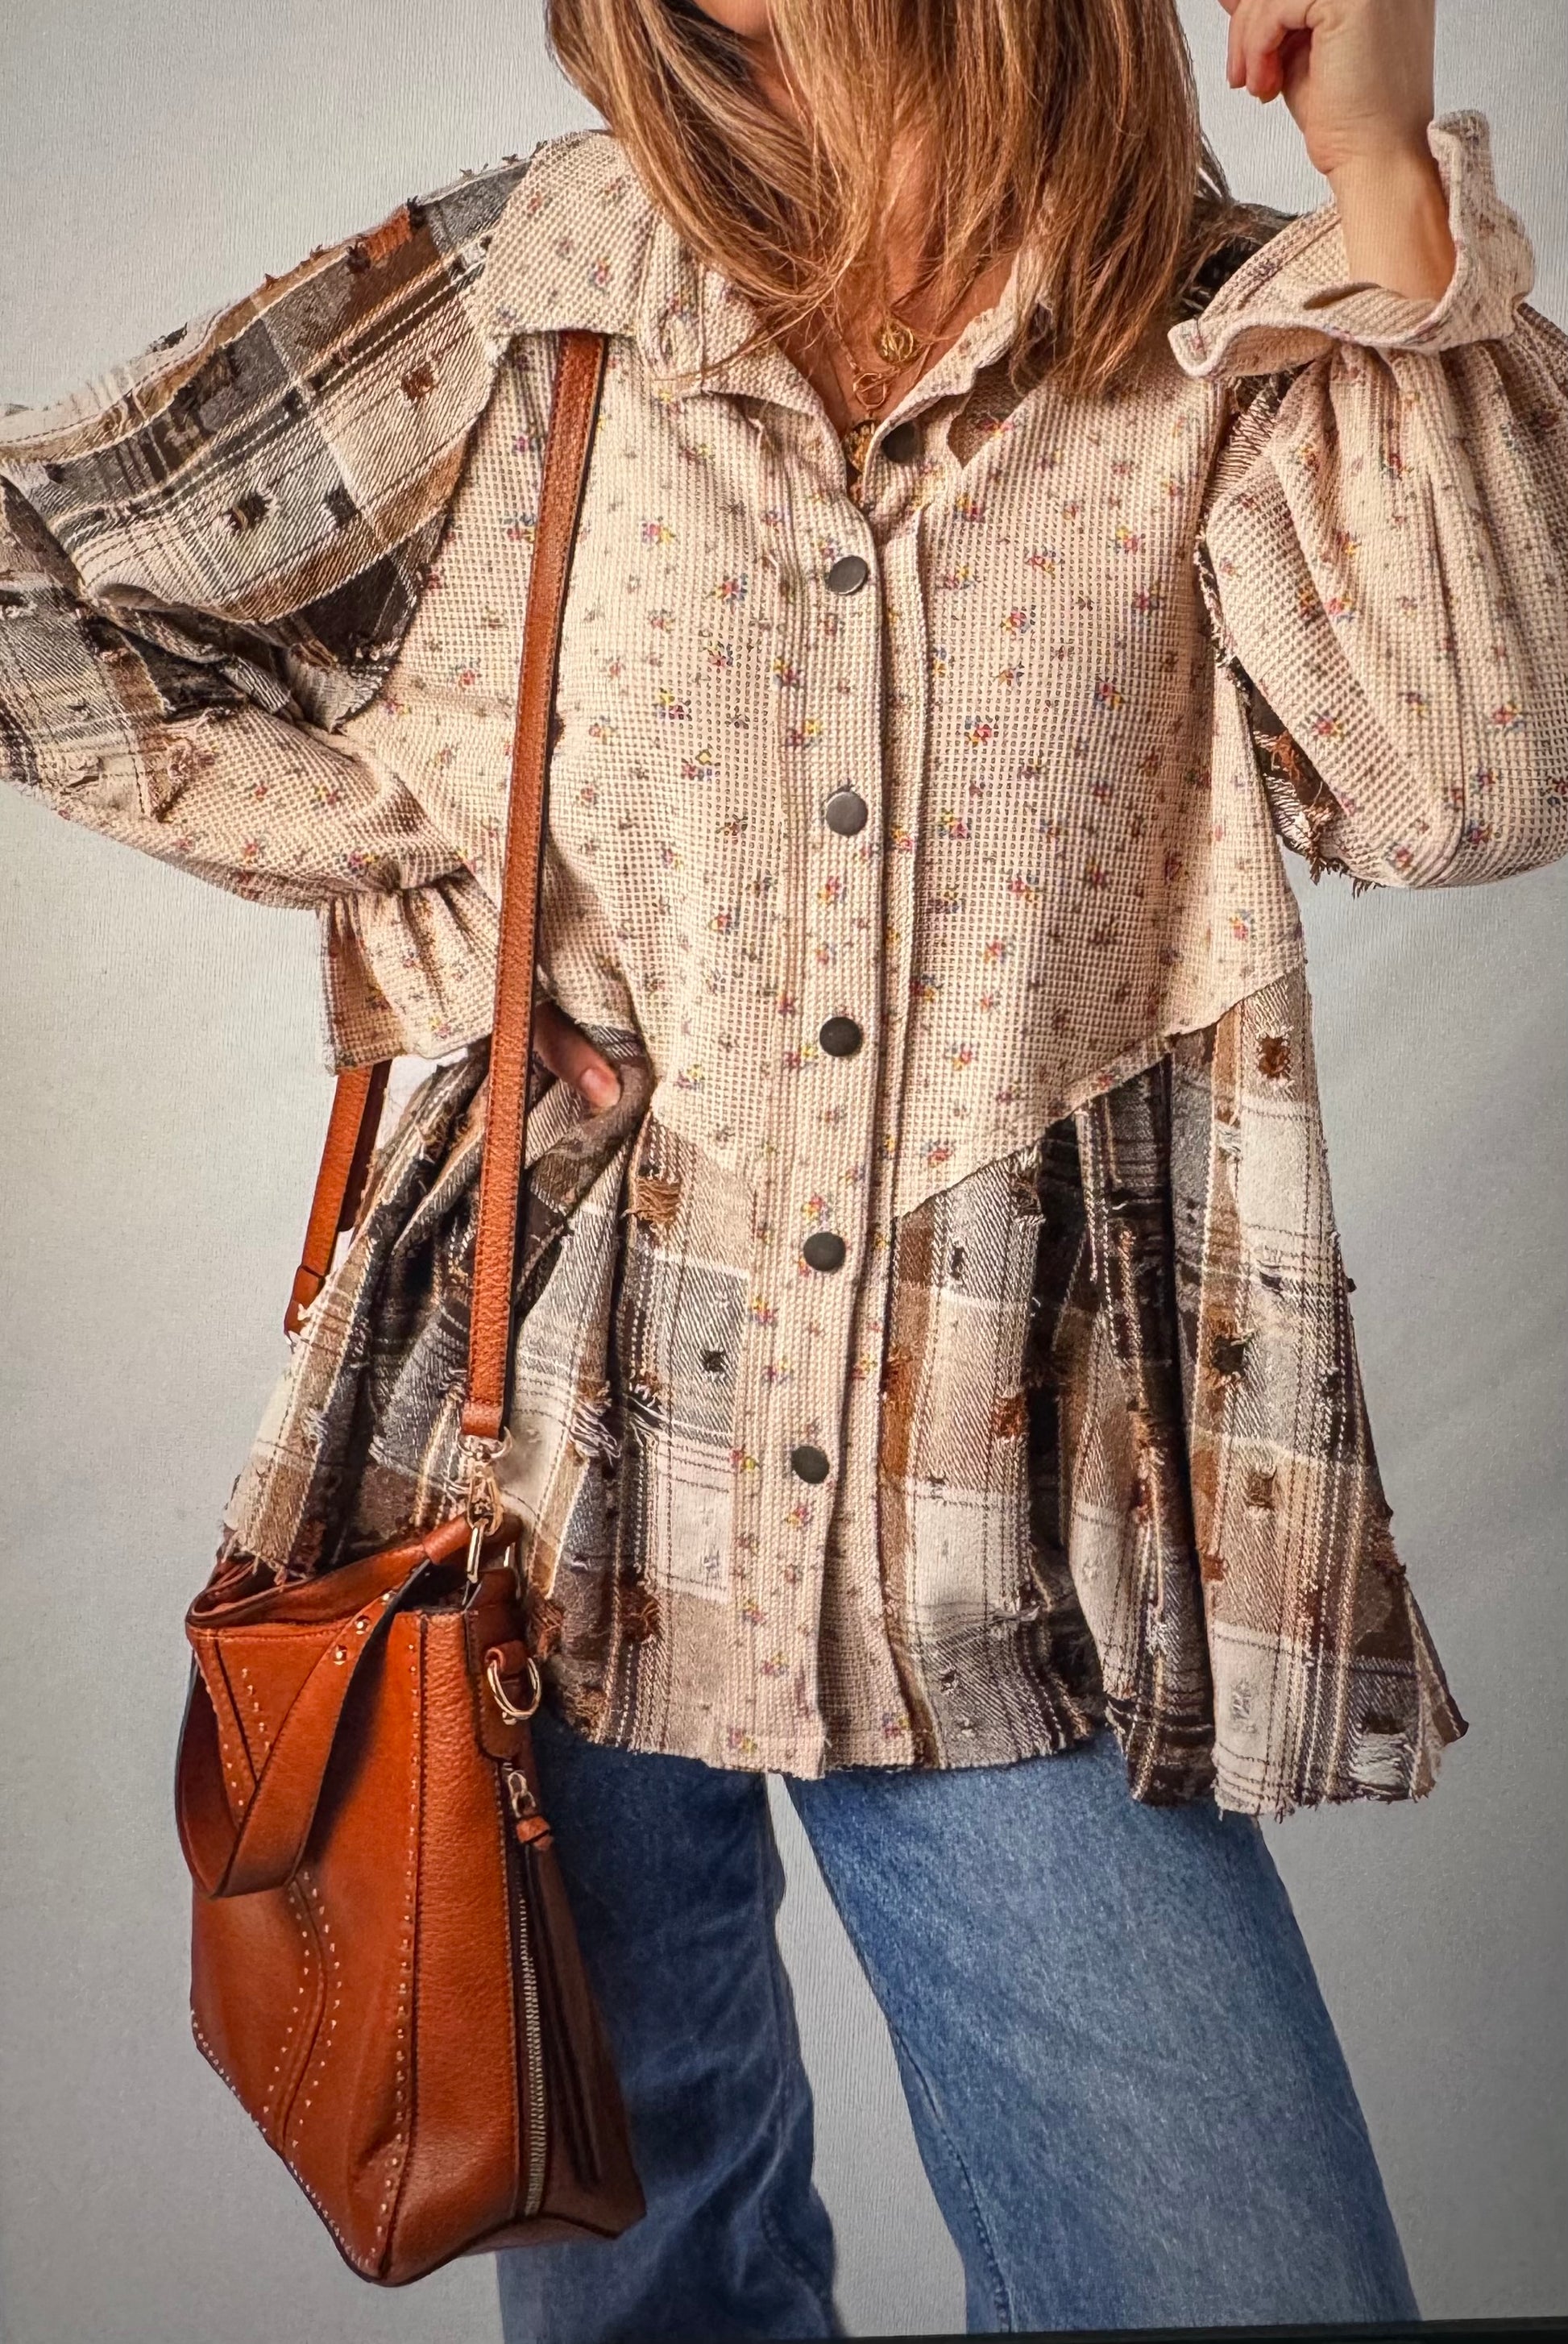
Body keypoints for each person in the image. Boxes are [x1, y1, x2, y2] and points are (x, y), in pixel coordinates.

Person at [2, 0, 1564, 2332]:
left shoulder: (1223, 340)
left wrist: (1378, 180)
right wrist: (394, 840)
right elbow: (39, 561)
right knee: (642, 2275)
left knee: (1237, 2273)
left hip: (979, 1517)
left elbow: (1471, 779)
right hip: (540, 1489)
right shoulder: (522, 291)